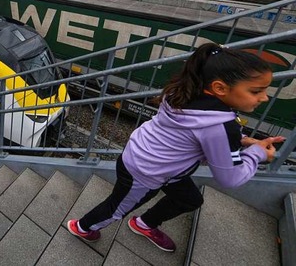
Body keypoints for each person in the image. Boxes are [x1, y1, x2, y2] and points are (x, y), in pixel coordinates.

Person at [66, 43, 285, 253]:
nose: (264, 98)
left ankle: (144, 224)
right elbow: (231, 178)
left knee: (190, 200)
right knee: (117, 208)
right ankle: (83, 228)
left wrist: (244, 141)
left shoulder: (186, 90)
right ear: (219, 88)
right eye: (256, 91)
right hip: (145, 171)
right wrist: (257, 154)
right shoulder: (218, 126)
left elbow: (197, 133)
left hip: (154, 158)